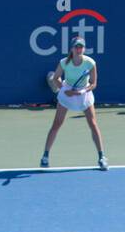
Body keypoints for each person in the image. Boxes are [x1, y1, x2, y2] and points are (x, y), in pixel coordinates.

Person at [41, 36, 107, 171]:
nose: (79, 49)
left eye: (81, 47)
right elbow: (56, 78)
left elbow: (94, 84)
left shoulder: (90, 63)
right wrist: (64, 89)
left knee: (93, 124)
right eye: (76, 47)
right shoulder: (64, 62)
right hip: (67, 92)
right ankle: (45, 156)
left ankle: (102, 157)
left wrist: (82, 91)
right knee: (57, 124)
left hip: (84, 94)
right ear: (71, 49)